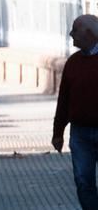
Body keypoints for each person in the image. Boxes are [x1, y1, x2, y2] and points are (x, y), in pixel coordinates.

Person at [53, 14, 98, 210]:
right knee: (83, 182)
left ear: (89, 34)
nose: (71, 34)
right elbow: (63, 100)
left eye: (75, 30)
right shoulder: (73, 62)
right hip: (80, 133)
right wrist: (57, 133)